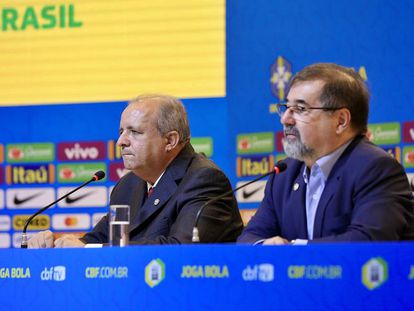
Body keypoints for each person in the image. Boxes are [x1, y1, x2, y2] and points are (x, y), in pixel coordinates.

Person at [29, 94, 243, 248]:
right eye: (121, 131)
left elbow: (181, 249)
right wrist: (57, 242)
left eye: (134, 132)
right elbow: (100, 238)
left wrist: (87, 249)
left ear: (170, 140)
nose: (121, 141)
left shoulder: (204, 180)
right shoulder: (128, 185)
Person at [238, 63, 414, 245]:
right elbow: (249, 237)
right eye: (286, 107)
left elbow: (367, 241)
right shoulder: (284, 174)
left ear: (341, 121)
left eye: (300, 109)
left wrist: (292, 250)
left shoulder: (376, 169)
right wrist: (264, 246)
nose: (285, 119)